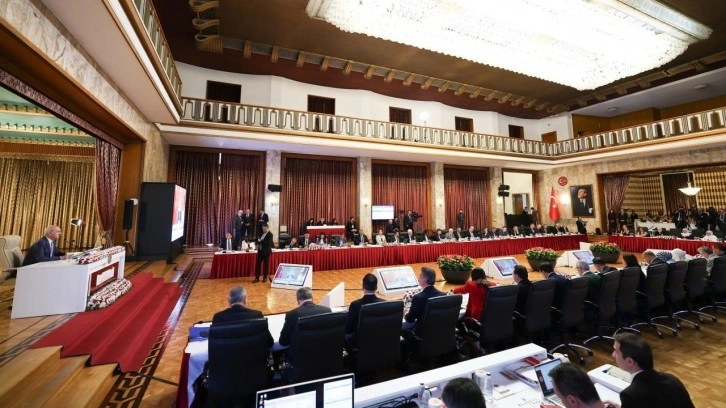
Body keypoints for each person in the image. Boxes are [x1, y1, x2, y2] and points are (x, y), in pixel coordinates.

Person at [609, 333, 695, 408]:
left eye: (616, 351)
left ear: (630, 361)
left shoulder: (630, 395)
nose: (613, 355)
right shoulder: (673, 379)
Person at [345, 274, 384, 341]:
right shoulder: (384, 304)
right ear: (376, 287)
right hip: (380, 341)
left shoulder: (355, 305)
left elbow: (348, 328)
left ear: (363, 287)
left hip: (359, 343)